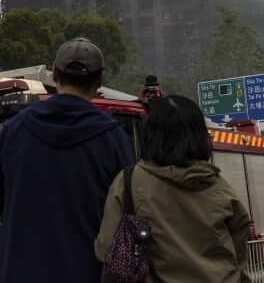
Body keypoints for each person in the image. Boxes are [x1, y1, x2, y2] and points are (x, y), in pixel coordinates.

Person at [0, 38, 134, 283]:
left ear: (55, 74)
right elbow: (130, 212)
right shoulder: (115, 140)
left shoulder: (14, 130)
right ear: (100, 80)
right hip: (89, 273)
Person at [95, 95, 251, 282]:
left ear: (150, 134)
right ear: (200, 136)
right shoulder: (218, 187)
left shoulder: (128, 182)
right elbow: (239, 246)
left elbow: (106, 248)